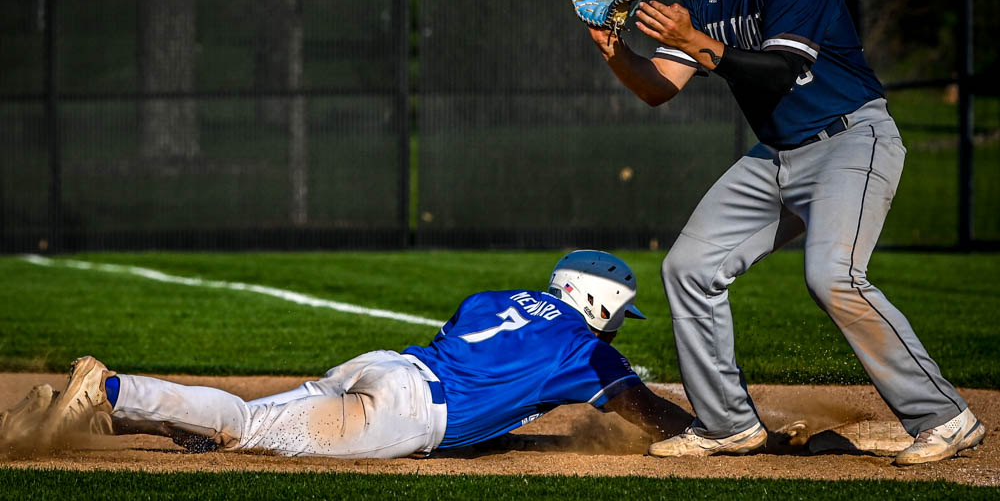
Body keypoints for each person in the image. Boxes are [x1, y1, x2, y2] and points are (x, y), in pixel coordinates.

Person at [586, 0, 985, 465]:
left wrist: (698, 42)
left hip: (851, 139)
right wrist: (616, 53)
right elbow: (659, 85)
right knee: (689, 268)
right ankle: (728, 425)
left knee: (832, 276)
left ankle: (945, 416)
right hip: (776, 155)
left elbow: (783, 68)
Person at [0, 250, 692, 459]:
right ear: (598, 302)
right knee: (244, 428)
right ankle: (114, 391)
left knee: (233, 429)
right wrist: (701, 432)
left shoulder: (497, 297)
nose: (620, 327)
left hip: (384, 366)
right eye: (620, 313)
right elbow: (643, 407)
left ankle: (92, 417)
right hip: (406, 411)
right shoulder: (579, 344)